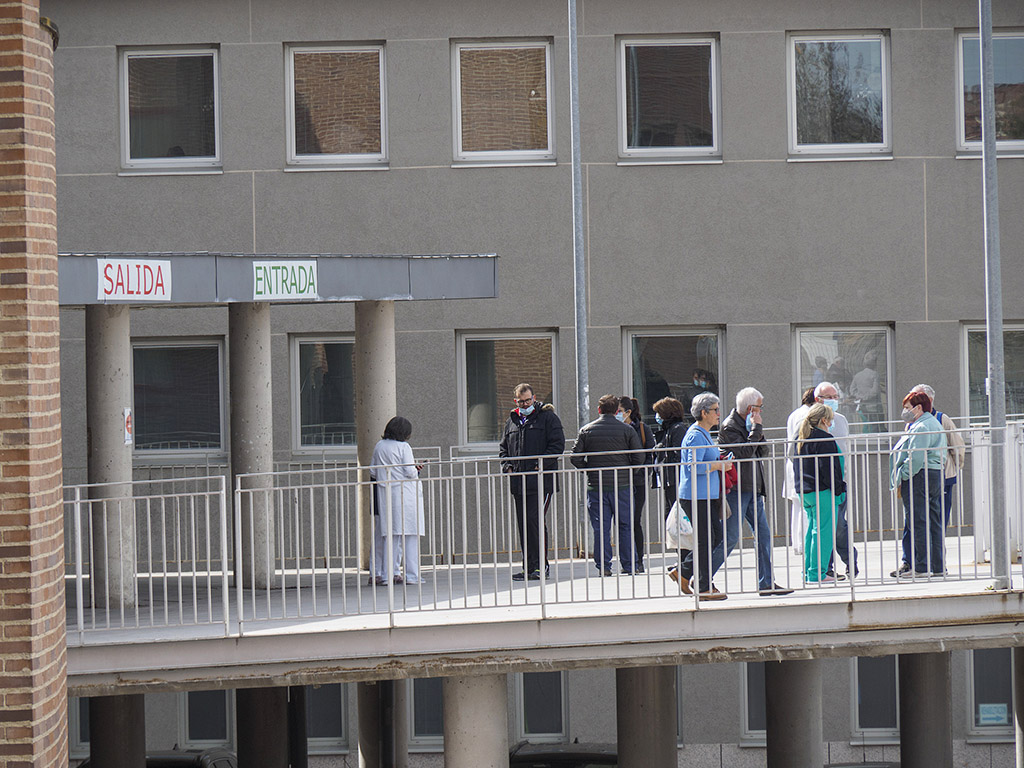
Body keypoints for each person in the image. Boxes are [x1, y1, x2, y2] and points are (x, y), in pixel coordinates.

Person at [713, 387, 792, 597]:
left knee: (764, 535)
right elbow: (745, 453)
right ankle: (701, 576)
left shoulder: (750, 426)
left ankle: (766, 583)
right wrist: (755, 429)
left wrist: (756, 430)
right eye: (759, 407)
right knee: (730, 538)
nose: (761, 412)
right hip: (737, 489)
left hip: (753, 488)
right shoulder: (730, 426)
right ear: (750, 408)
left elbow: (762, 450)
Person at [499, 383, 566, 581]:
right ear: (516, 401)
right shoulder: (512, 421)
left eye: (528, 400)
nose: (525, 404)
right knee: (524, 524)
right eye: (521, 401)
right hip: (519, 483)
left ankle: (540, 567)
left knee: (535, 521)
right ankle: (529, 567)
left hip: (540, 482)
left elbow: (557, 445)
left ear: (534, 398)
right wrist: (507, 466)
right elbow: (504, 449)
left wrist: (541, 463)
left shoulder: (547, 417)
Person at [570, 394, 643, 576]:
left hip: (596, 486)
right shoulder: (627, 430)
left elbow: (575, 457)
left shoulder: (587, 430)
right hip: (623, 486)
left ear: (599, 410)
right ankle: (629, 565)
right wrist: (629, 472)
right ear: (617, 411)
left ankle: (604, 566)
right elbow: (639, 457)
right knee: (625, 526)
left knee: (600, 529)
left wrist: (588, 469)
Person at [669, 392, 731, 600]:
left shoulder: (702, 434)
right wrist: (718, 465)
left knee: (713, 537)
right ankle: (703, 586)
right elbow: (692, 465)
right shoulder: (695, 434)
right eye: (715, 410)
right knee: (707, 540)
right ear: (703, 413)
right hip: (696, 495)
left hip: (705, 495)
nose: (718, 414)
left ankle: (685, 572)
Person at [890, 391, 947, 579]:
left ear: (918, 408)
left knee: (917, 521)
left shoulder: (921, 426)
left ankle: (921, 567)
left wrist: (903, 474)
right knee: (934, 520)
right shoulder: (934, 424)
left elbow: (915, 457)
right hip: (935, 473)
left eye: (907, 408)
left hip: (919, 476)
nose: (904, 411)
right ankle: (938, 566)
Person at [369, 416, 425, 585]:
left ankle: (386, 574)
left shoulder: (379, 446)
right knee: (410, 536)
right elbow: (409, 471)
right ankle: (412, 575)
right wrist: (417, 469)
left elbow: (372, 471)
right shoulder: (404, 447)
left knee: (390, 536)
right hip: (406, 494)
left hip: (386, 495)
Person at [796, 403, 846, 584]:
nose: (831, 423)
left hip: (806, 491)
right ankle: (818, 573)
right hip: (823, 491)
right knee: (824, 533)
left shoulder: (802, 437)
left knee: (812, 531)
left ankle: (809, 572)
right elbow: (830, 469)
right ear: (824, 420)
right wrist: (839, 489)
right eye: (830, 419)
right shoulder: (825, 439)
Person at [815, 382, 859, 580]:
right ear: (818, 400)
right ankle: (827, 567)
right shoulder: (810, 422)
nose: (833, 400)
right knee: (827, 526)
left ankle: (850, 561)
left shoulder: (841, 420)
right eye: (829, 397)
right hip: (820, 484)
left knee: (839, 525)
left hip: (840, 482)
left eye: (835, 396)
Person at [912, 384, 966, 526]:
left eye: (917, 397)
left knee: (940, 517)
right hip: (918, 476)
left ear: (928, 400)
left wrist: (955, 467)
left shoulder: (942, 419)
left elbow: (957, 445)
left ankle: (937, 547)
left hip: (943, 475)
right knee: (917, 518)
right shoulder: (911, 422)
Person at [618, 396, 655, 573]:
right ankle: (626, 559)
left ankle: (638, 559)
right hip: (620, 481)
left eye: (619, 411)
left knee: (634, 520)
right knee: (622, 521)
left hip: (637, 481)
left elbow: (650, 453)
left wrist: (643, 472)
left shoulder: (642, 428)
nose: (617, 415)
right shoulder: (616, 429)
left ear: (628, 412)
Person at [784, 387, 817, 553]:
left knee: (797, 507)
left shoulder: (794, 413)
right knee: (806, 508)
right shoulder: (809, 415)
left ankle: (797, 544)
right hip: (801, 463)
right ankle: (804, 544)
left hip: (793, 463)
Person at [653, 397, 688, 519]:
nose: (657, 416)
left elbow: (680, 455)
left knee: (676, 514)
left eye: (659, 413)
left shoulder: (678, 429)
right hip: (668, 480)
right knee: (669, 515)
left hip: (675, 479)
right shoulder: (667, 430)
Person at [850, 350, 884, 430]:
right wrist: (865, 397)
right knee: (877, 427)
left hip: (862, 406)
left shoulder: (858, 375)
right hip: (874, 406)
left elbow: (852, 391)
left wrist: (860, 397)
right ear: (874, 363)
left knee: (867, 425)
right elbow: (875, 391)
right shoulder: (875, 374)